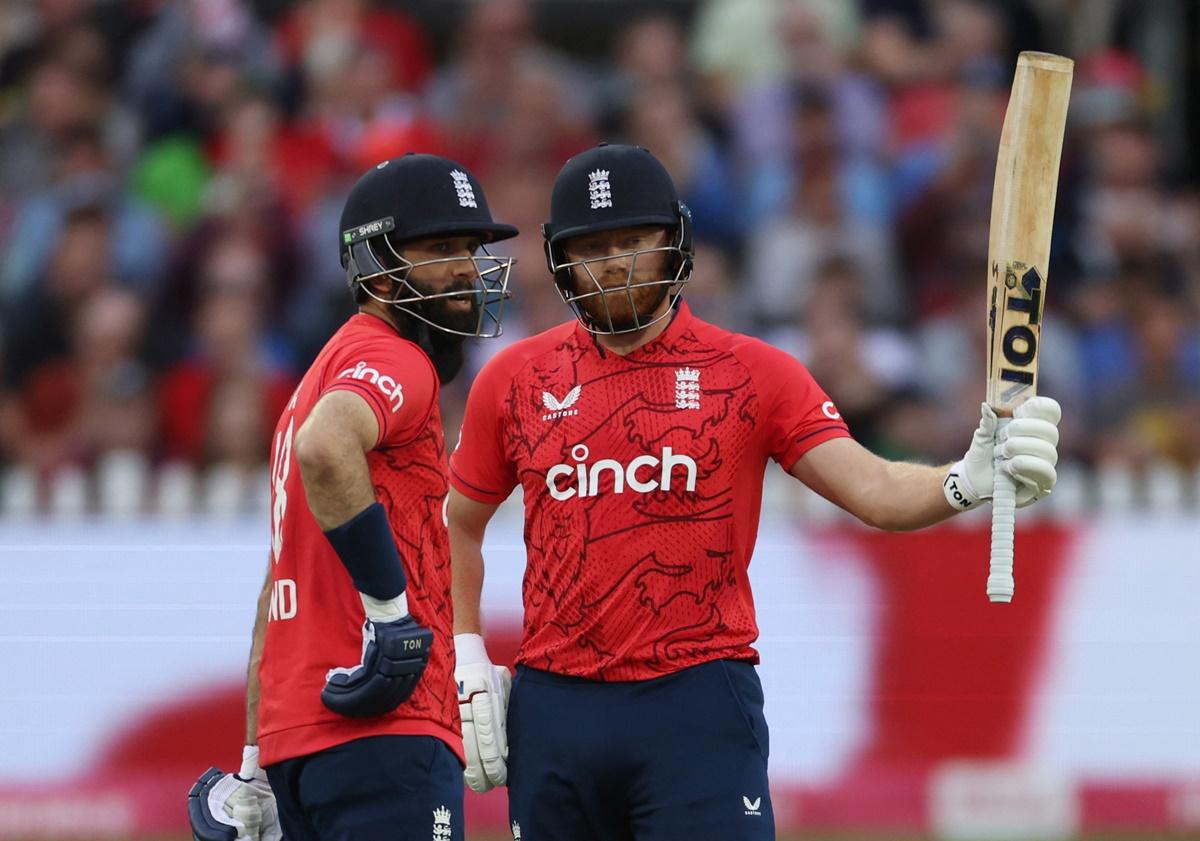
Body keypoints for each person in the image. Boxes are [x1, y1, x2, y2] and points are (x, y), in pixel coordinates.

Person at [446, 144, 1060, 840]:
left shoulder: (752, 372)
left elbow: (875, 488)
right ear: (559, 257)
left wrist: (964, 480)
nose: (613, 262)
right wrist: (465, 651)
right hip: (556, 705)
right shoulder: (515, 379)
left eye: (633, 241)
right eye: (592, 245)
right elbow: (457, 523)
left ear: (675, 244)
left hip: (697, 699)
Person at [187, 152, 518, 841]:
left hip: (296, 741)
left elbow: (276, 587)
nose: (466, 268)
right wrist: (392, 618)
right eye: (441, 248)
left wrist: (252, 760)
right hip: (386, 729)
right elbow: (326, 445)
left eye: (471, 248)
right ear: (376, 262)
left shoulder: (315, 379)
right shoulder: (396, 359)